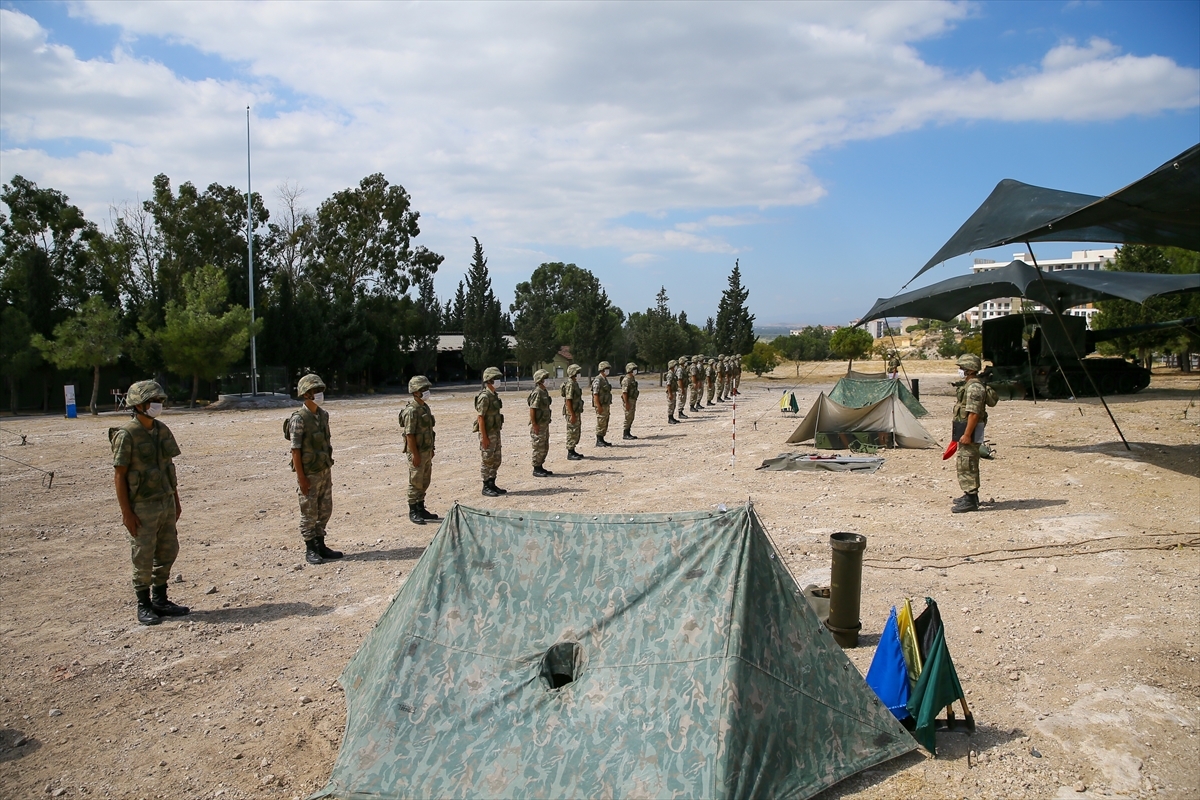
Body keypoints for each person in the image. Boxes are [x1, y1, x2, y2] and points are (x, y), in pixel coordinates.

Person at [110, 379, 188, 626]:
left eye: (159, 401)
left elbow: (169, 468)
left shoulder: (162, 430)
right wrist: (126, 512)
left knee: (168, 550)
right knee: (143, 555)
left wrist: (175, 500)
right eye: (152, 401)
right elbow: (120, 475)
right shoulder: (126, 434)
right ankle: (143, 604)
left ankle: (160, 600)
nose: (157, 405)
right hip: (141, 506)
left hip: (164, 501)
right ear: (138, 405)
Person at [289, 374, 343, 564]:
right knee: (309, 512)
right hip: (309, 474)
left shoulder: (323, 415)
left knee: (325, 509)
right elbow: (295, 450)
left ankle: (321, 544)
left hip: (323, 470)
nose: (320, 394)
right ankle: (310, 548)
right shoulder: (299, 419)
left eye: (321, 390)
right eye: (315, 391)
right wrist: (301, 478)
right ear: (306, 394)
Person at [951, 353, 997, 513]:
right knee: (965, 461)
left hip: (970, 430)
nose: (961, 371)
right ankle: (969, 495)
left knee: (968, 462)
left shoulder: (975, 388)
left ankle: (971, 499)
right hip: (965, 428)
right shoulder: (969, 385)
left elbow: (974, 413)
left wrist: (967, 434)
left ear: (970, 370)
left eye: (963, 368)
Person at [399, 375, 438, 525]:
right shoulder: (411, 410)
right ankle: (413, 510)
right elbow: (410, 434)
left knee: (424, 480)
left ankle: (421, 507)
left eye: (427, 388)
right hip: (417, 452)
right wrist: (415, 454)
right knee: (415, 481)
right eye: (423, 389)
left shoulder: (424, 407)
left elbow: (429, 431)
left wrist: (431, 448)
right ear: (415, 392)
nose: (426, 391)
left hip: (426, 450)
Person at [475, 366, 506, 496]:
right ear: (489, 380)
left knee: (496, 459)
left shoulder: (493, 395)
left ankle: (492, 483)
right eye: (495, 379)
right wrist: (484, 437)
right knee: (487, 459)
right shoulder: (484, 397)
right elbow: (480, 418)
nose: (498, 381)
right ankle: (486, 485)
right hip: (487, 433)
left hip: (495, 431)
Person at [528, 369, 554, 476]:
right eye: (544, 378)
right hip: (538, 425)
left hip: (544, 423)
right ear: (539, 380)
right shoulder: (537, 392)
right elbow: (532, 409)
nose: (547, 380)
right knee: (538, 446)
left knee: (544, 446)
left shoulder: (544, 391)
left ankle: (540, 466)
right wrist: (534, 424)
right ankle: (536, 468)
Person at [561, 364, 585, 460]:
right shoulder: (570, 384)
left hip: (576, 411)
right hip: (572, 412)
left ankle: (573, 450)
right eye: (577, 372)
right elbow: (568, 400)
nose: (579, 374)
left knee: (576, 431)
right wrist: (572, 414)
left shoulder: (574, 383)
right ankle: (570, 452)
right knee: (572, 431)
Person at [592, 361, 614, 447]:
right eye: (606, 369)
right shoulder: (598, 379)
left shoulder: (604, 379)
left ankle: (602, 438)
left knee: (605, 421)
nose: (607, 370)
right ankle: (599, 440)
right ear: (601, 369)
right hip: (601, 405)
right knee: (601, 421)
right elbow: (595, 394)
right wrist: (598, 406)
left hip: (605, 404)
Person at [621, 362, 639, 439]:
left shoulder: (632, 379)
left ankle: (628, 432)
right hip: (628, 401)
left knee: (631, 416)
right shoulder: (626, 380)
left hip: (632, 400)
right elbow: (624, 393)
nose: (635, 371)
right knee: (628, 417)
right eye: (634, 369)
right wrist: (626, 403)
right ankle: (625, 433)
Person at [665, 359, 679, 424]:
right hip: (671, 392)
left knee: (673, 405)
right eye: (675, 365)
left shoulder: (673, 373)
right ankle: (670, 418)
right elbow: (668, 385)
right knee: (670, 405)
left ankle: (672, 417)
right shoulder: (670, 374)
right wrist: (670, 394)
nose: (676, 366)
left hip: (673, 391)